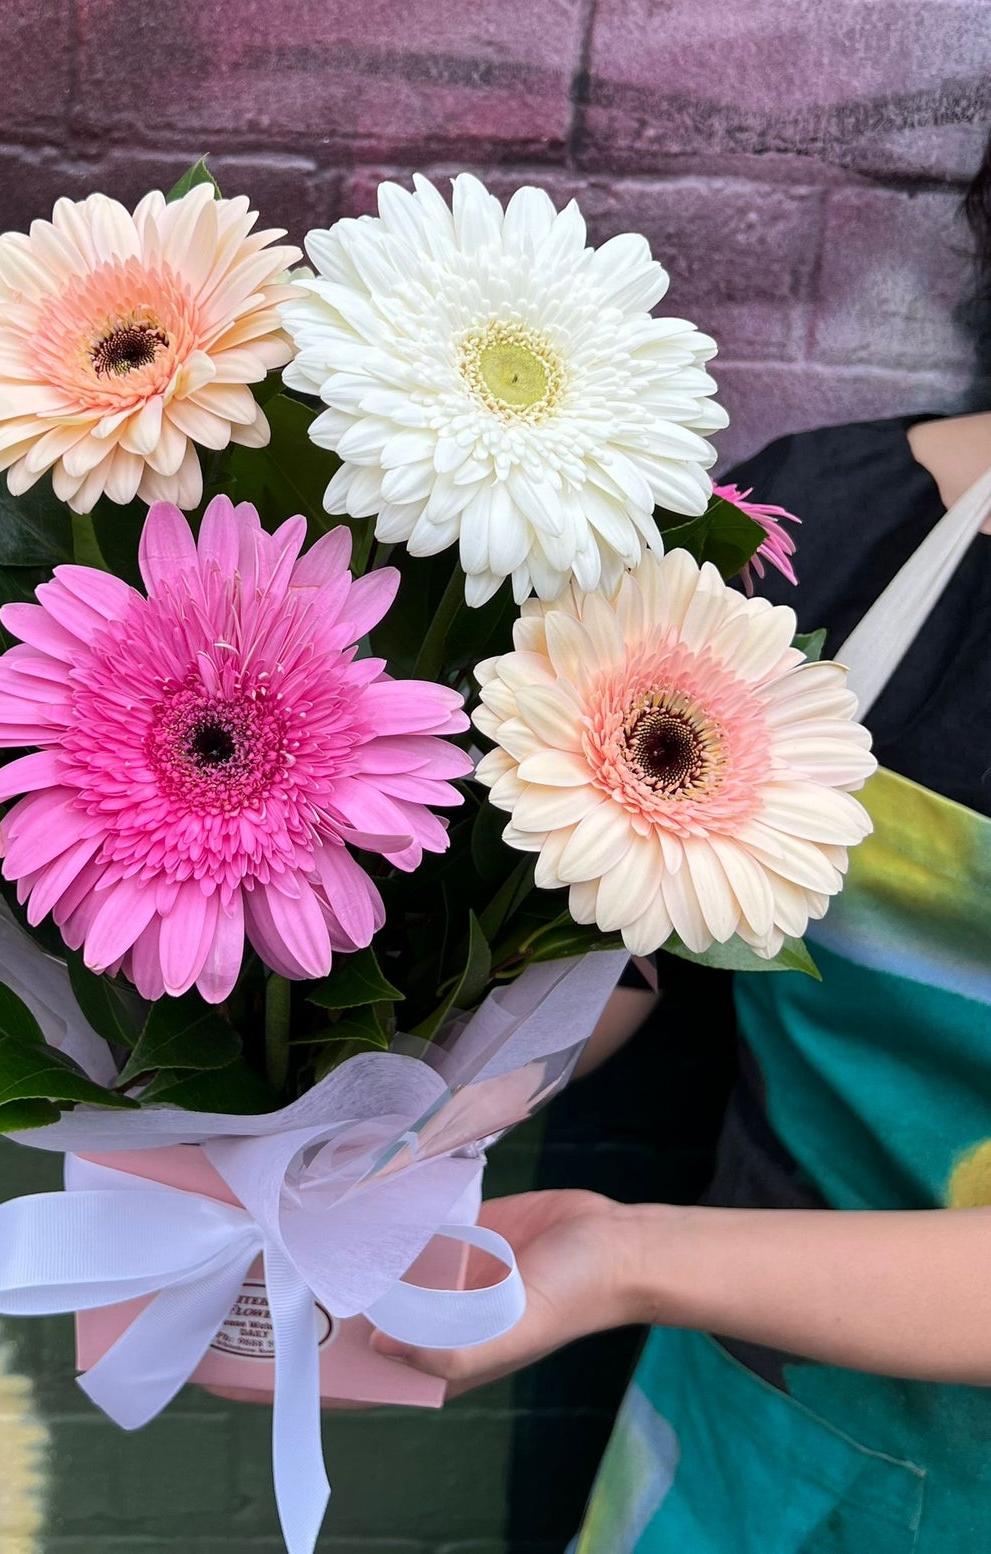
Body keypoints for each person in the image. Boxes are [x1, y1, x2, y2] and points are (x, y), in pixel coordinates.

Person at [372, 146, 991, 1550]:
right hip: (744, 1465)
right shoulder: (827, 530)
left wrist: (632, 1257)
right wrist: (366, 1084)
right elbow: (631, 942)